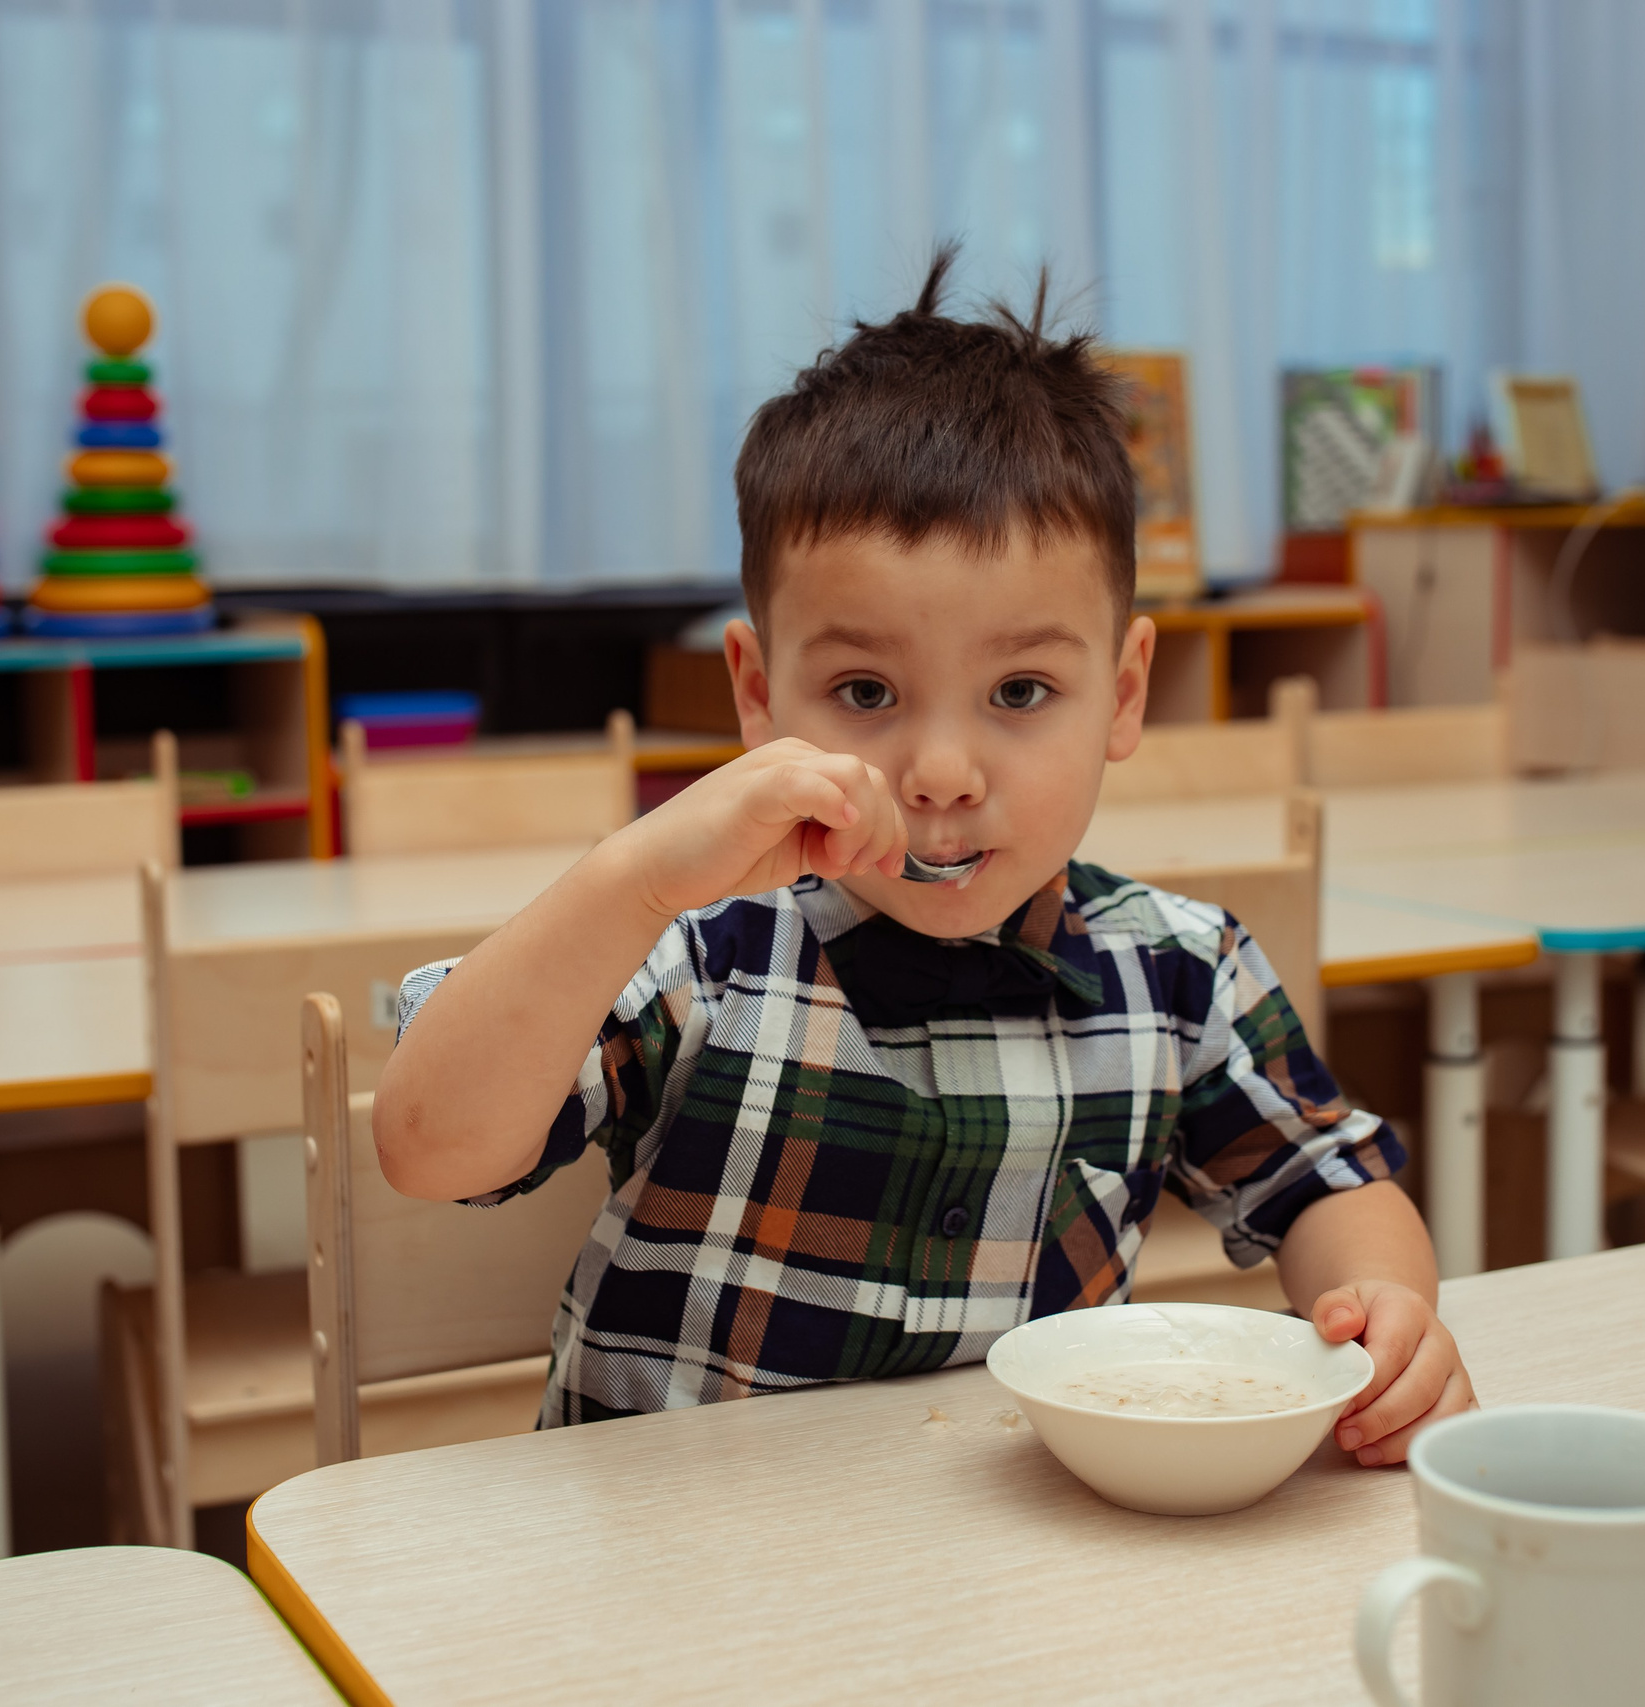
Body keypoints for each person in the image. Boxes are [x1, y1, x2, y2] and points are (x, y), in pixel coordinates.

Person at [373, 250, 1473, 1465]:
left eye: (1020, 691)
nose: (941, 772)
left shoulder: (1180, 973)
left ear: (1122, 694)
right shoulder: (696, 950)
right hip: (666, 1546)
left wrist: (1383, 1310)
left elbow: (1323, 1184)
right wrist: (629, 879)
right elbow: (432, 1147)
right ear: (758, 693)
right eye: (865, 691)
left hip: (1000, 1554)